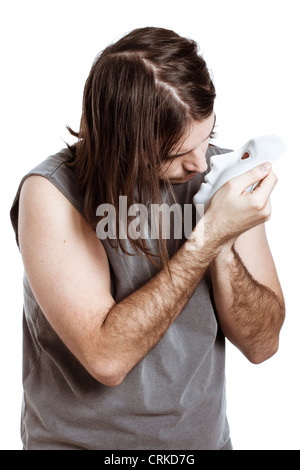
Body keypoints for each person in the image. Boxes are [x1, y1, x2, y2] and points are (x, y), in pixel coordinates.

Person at [10, 27, 285, 451]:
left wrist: (225, 241)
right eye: (176, 153)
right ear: (124, 143)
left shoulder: (216, 178)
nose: (200, 164)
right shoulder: (51, 193)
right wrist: (209, 235)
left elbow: (263, 344)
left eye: (206, 138)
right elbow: (107, 358)